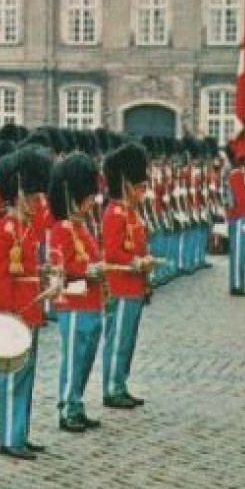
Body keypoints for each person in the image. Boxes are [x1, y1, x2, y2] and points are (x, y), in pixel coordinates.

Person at [0, 146, 52, 460]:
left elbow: (27, 271)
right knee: (13, 376)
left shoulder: (25, 228)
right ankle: (9, 437)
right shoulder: (7, 229)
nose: (38, 203)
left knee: (24, 375)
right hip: (15, 313)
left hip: (30, 309)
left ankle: (19, 432)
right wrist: (6, 317)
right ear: (21, 193)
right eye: (34, 197)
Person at [48, 152, 105, 433]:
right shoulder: (61, 229)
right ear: (74, 196)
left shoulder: (83, 227)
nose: (92, 201)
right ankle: (66, 406)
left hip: (91, 302)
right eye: (88, 195)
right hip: (72, 303)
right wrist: (88, 271)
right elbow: (60, 267)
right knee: (74, 358)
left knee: (86, 357)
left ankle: (77, 401)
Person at [99, 142, 150, 408]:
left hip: (134, 285)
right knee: (118, 339)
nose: (143, 190)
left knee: (127, 341)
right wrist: (137, 262)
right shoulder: (114, 213)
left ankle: (120, 382)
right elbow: (112, 252)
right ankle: (112, 387)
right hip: (120, 285)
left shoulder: (131, 212)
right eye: (139, 185)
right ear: (126, 183)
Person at [224, 140, 245, 297]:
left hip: (242, 217)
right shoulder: (236, 175)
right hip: (238, 218)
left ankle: (239, 283)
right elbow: (238, 200)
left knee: (241, 252)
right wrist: (244, 215)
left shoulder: (239, 175)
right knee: (237, 253)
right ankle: (236, 284)